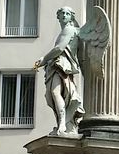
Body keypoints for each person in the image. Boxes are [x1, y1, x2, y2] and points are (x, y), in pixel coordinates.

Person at [35, 7, 84, 135]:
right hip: (56, 65)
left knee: (55, 93)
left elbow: (59, 48)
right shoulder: (65, 31)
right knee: (53, 95)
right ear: (58, 16)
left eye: (67, 14)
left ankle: (63, 123)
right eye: (62, 13)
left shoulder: (69, 30)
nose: (64, 15)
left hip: (61, 65)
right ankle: (63, 123)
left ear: (71, 17)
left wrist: (44, 59)